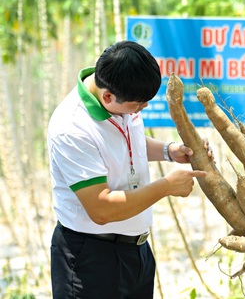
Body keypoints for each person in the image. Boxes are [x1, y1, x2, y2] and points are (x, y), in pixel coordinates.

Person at [47, 40, 210, 298]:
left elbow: (127, 143)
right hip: (91, 259)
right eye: (137, 106)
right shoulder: (71, 128)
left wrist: (169, 151)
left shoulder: (121, 92)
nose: (141, 109)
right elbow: (102, 209)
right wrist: (166, 186)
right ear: (108, 96)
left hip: (136, 251)